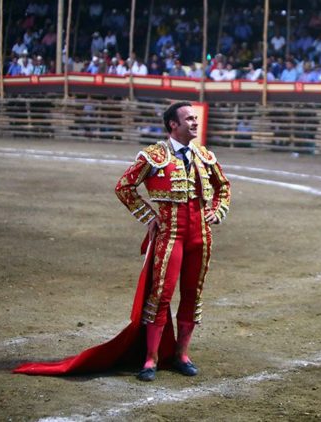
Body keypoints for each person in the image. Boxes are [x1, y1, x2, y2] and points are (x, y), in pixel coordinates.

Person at [115, 102, 231, 381]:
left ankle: (182, 355)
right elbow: (124, 187)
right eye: (188, 119)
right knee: (162, 295)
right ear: (173, 125)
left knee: (192, 294)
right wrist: (148, 216)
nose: (195, 122)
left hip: (200, 235)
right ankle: (151, 358)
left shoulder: (204, 155)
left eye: (195, 118)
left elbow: (223, 187)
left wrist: (218, 210)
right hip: (170, 233)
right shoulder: (154, 155)